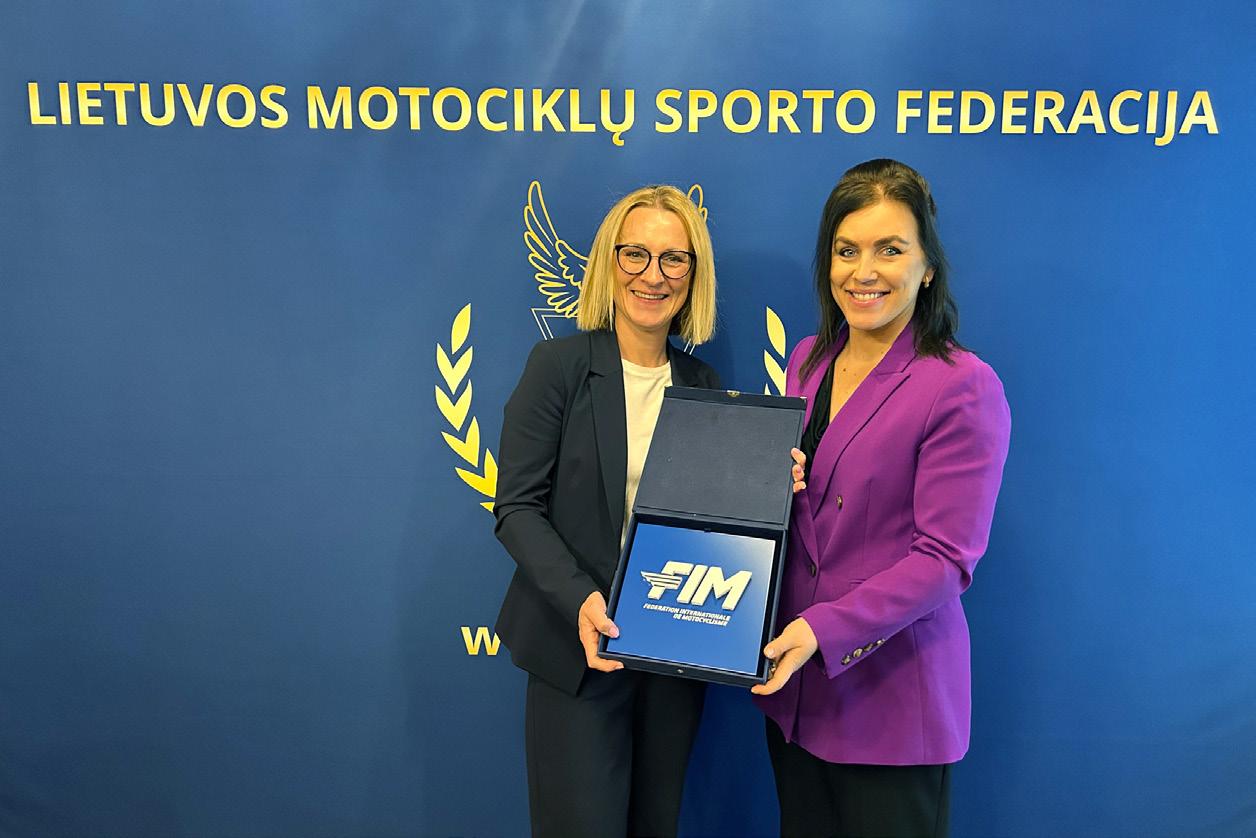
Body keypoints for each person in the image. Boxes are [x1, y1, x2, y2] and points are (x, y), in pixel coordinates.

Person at [751, 159, 1012, 838]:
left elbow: (945, 560)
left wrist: (822, 630)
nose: (863, 271)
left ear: (927, 268)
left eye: (889, 249)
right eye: (846, 250)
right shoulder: (808, 359)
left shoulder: (960, 384)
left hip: (890, 704)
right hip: (796, 694)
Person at [493, 185, 720, 837]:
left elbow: (714, 523)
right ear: (608, 262)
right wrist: (582, 601)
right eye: (635, 254)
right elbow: (516, 508)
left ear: (693, 275)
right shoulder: (558, 366)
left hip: (672, 657)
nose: (653, 275)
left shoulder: (702, 384)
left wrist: (768, 483)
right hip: (577, 652)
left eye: (673, 259)